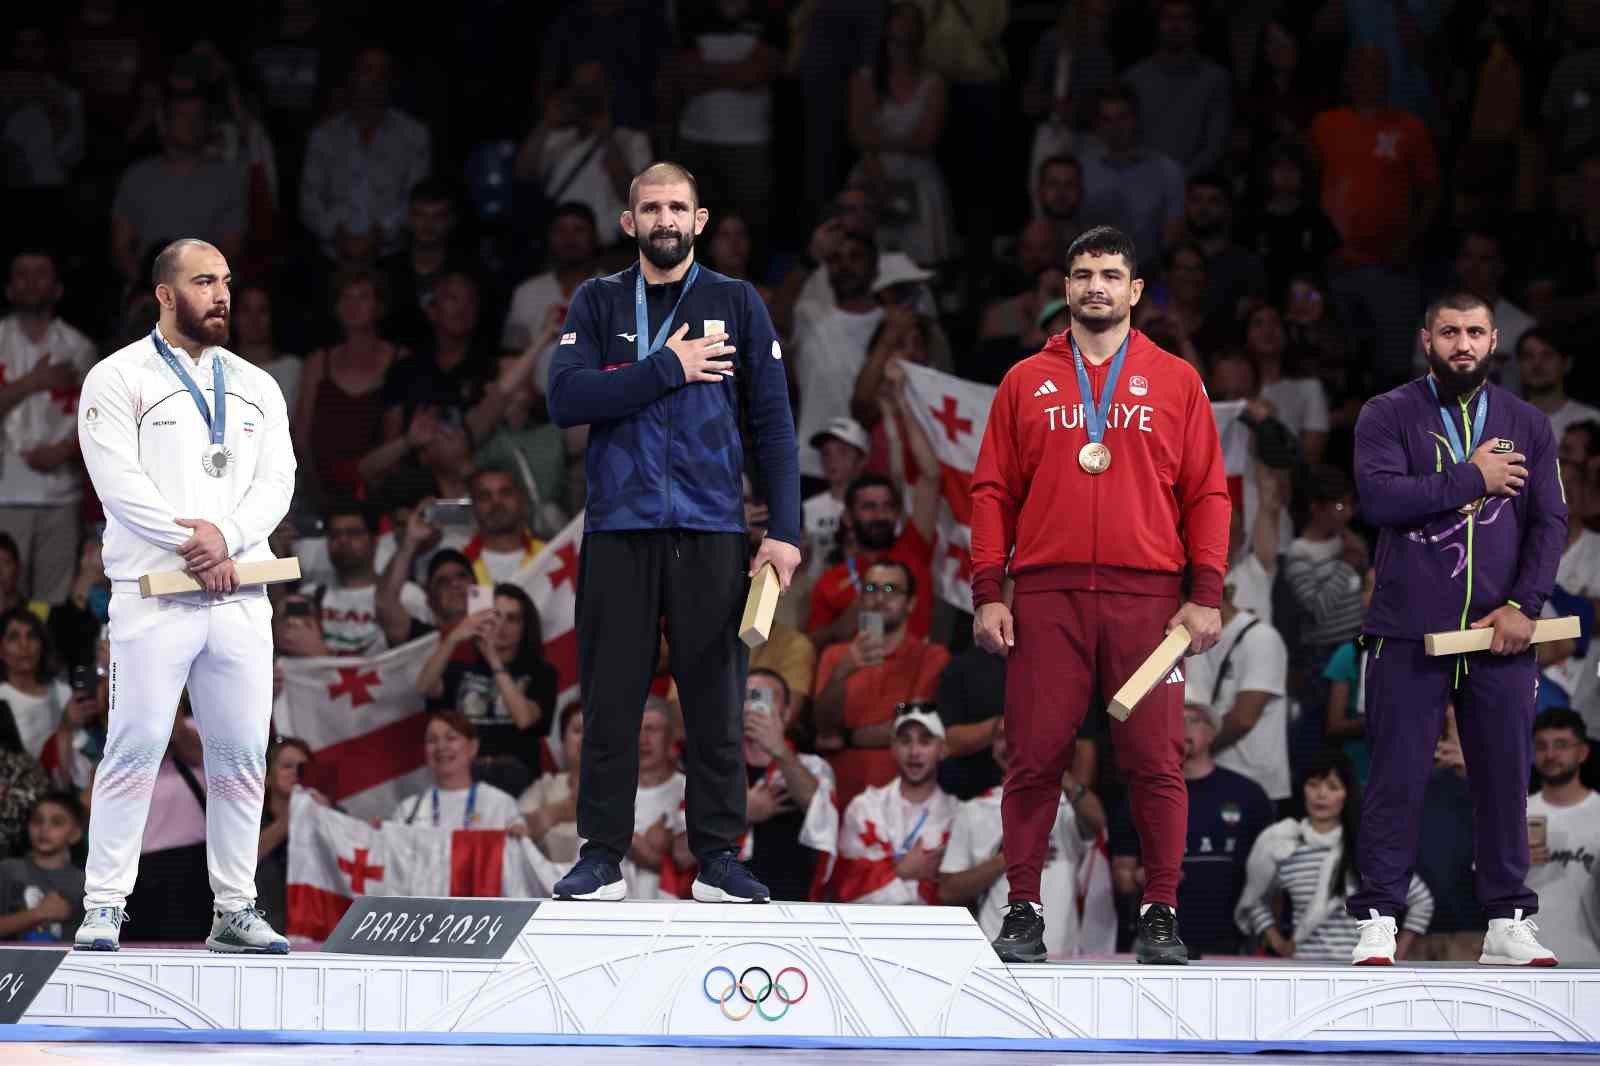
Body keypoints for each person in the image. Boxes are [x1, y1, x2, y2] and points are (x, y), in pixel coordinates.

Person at [969, 225, 1230, 965]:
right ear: (1065, 287)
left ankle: (1160, 911)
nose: (1095, 288)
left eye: (1110, 275)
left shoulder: (1177, 379)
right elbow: (991, 493)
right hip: (1047, 595)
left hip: (1148, 601)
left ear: (1135, 290)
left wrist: (1204, 590)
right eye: (1083, 274)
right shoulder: (1026, 380)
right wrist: (992, 590)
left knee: (1157, 760)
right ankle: (1023, 908)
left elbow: (1208, 493)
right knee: (1033, 757)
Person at [544, 161, 800, 904]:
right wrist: (667, 366)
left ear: (699, 219)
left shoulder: (737, 301)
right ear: (629, 222)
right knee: (611, 698)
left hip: (712, 525)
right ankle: (600, 855)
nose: (664, 218)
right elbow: (565, 399)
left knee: (716, 697)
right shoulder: (596, 301)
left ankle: (718, 855)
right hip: (620, 526)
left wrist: (782, 530)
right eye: (650, 207)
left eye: (677, 207)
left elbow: (774, 426)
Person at [73, 238, 296, 954]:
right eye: (205, 282)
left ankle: (234, 906)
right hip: (154, 594)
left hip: (238, 593)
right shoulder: (116, 379)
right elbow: (119, 486)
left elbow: (278, 481)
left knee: (240, 755)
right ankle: (105, 905)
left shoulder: (258, 384)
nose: (221, 295)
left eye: (226, 281)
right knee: (133, 747)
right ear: (165, 294)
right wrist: (194, 546)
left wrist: (226, 537)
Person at [1347, 291, 1564, 967]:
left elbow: (1549, 520)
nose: (1462, 343)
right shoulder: (1388, 414)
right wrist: (1471, 477)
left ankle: (1506, 919)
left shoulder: (1528, 423)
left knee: (1504, 774)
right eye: (1449, 332)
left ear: (1494, 338)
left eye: (1474, 331)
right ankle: (1379, 915)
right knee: (1396, 776)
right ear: (1426, 338)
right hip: (1408, 627)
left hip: (1499, 628)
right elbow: (1380, 499)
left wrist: (1526, 605)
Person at [1237, 749, 1433, 964]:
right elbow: (1255, 898)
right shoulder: (1284, 846)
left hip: (1362, 968)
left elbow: (1421, 900)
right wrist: (1276, 941)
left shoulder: (1368, 852)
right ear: (1302, 789)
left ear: (1347, 793)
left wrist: (1397, 950)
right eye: (1313, 785)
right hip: (1304, 971)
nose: (1321, 795)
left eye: (1332, 787)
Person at [1112, 705, 1273, 958]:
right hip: (1159, 944)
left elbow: (1271, 877)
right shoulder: (1141, 795)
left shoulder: (1248, 795)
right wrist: (1141, 876)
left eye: (1190, 720)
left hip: (1233, 944)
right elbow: (1122, 875)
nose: (1180, 727)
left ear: (1211, 732)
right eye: (1173, 719)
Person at [939, 719, 1103, 960]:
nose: (1011, 745)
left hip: (1064, 956)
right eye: (1002, 737)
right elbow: (947, 890)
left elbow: (1097, 822)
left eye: (1021, 737)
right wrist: (1010, 857)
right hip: (993, 956)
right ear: (994, 749)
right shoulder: (973, 810)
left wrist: (1058, 774)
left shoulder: (1066, 804)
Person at [812, 559, 949, 806]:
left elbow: (910, 725)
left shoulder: (931, 656)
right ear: (861, 600)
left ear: (911, 604)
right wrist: (842, 672)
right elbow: (822, 728)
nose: (879, 598)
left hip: (902, 800)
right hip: (836, 796)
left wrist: (847, 736)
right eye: (871, 589)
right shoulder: (835, 656)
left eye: (890, 590)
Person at [0, 249, 95, 603]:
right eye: (22, 274)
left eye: (40, 273)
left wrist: (65, 450)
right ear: (9, 288)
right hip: (5, 492)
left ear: (56, 288)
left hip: (60, 493)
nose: (31, 282)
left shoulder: (78, 347)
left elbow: (97, 420)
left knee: (52, 601)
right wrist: (34, 382)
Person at [416, 583, 557, 796]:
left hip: (518, 781)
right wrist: (453, 637)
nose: (501, 625)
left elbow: (524, 718)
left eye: (512, 619)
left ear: (524, 628)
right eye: (495, 615)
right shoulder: (459, 670)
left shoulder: (541, 673)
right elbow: (424, 687)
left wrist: (492, 658)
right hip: (464, 780)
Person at [831, 706, 959, 904]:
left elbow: (954, 895)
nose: (914, 752)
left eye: (925, 741)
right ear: (893, 748)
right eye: (905, 741)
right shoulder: (864, 808)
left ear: (942, 749)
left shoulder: (957, 816)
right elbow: (851, 889)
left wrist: (887, 872)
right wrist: (905, 871)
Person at [1182, 582, 1291, 806]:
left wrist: (1191, 749)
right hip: (1208, 776)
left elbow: (1244, 718)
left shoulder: (1261, 638)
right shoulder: (1195, 640)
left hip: (1255, 782)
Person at [1527, 709, 1600, 962]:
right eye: (1541, 746)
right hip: (1522, 964)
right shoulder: (1514, 815)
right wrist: (1511, 863)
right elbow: (1480, 882)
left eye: (1561, 745)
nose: (1550, 755)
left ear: (1583, 752)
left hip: (1591, 962)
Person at [390, 712, 524, 830]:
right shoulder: (408, 812)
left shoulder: (500, 805)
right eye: (432, 740)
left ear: (473, 747)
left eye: (451, 738)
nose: (441, 746)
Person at [623, 697, 685, 900]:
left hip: (671, 909)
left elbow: (688, 861)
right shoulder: (610, 794)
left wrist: (651, 857)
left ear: (669, 738)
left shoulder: (688, 791)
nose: (643, 740)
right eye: (637, 730)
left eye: (652, 729)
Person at [0, 792, 84, 941]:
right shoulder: (8, 870)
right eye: (37, 821)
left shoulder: (85, 883)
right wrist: (38, 914)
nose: (44, 829)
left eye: (57, 822)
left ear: (75, 833)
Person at [518, 702, 583, 863]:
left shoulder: (629, 791)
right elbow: (517, 833)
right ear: (562, 741)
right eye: (577, 731)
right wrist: (562, 810)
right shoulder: (545, 787)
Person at [462, 468, 543, 584]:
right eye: (484, 496)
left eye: (506, 493)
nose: (496, 502)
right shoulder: (459, 566)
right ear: (473, 507)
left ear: (522, 500)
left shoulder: (551, 557)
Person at [1518, 330, 1600, 443]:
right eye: (1528, 356)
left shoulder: (1591, 419)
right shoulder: (1502, 418)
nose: (1536, 364)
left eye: (1547, 355)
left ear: (1567, 363)